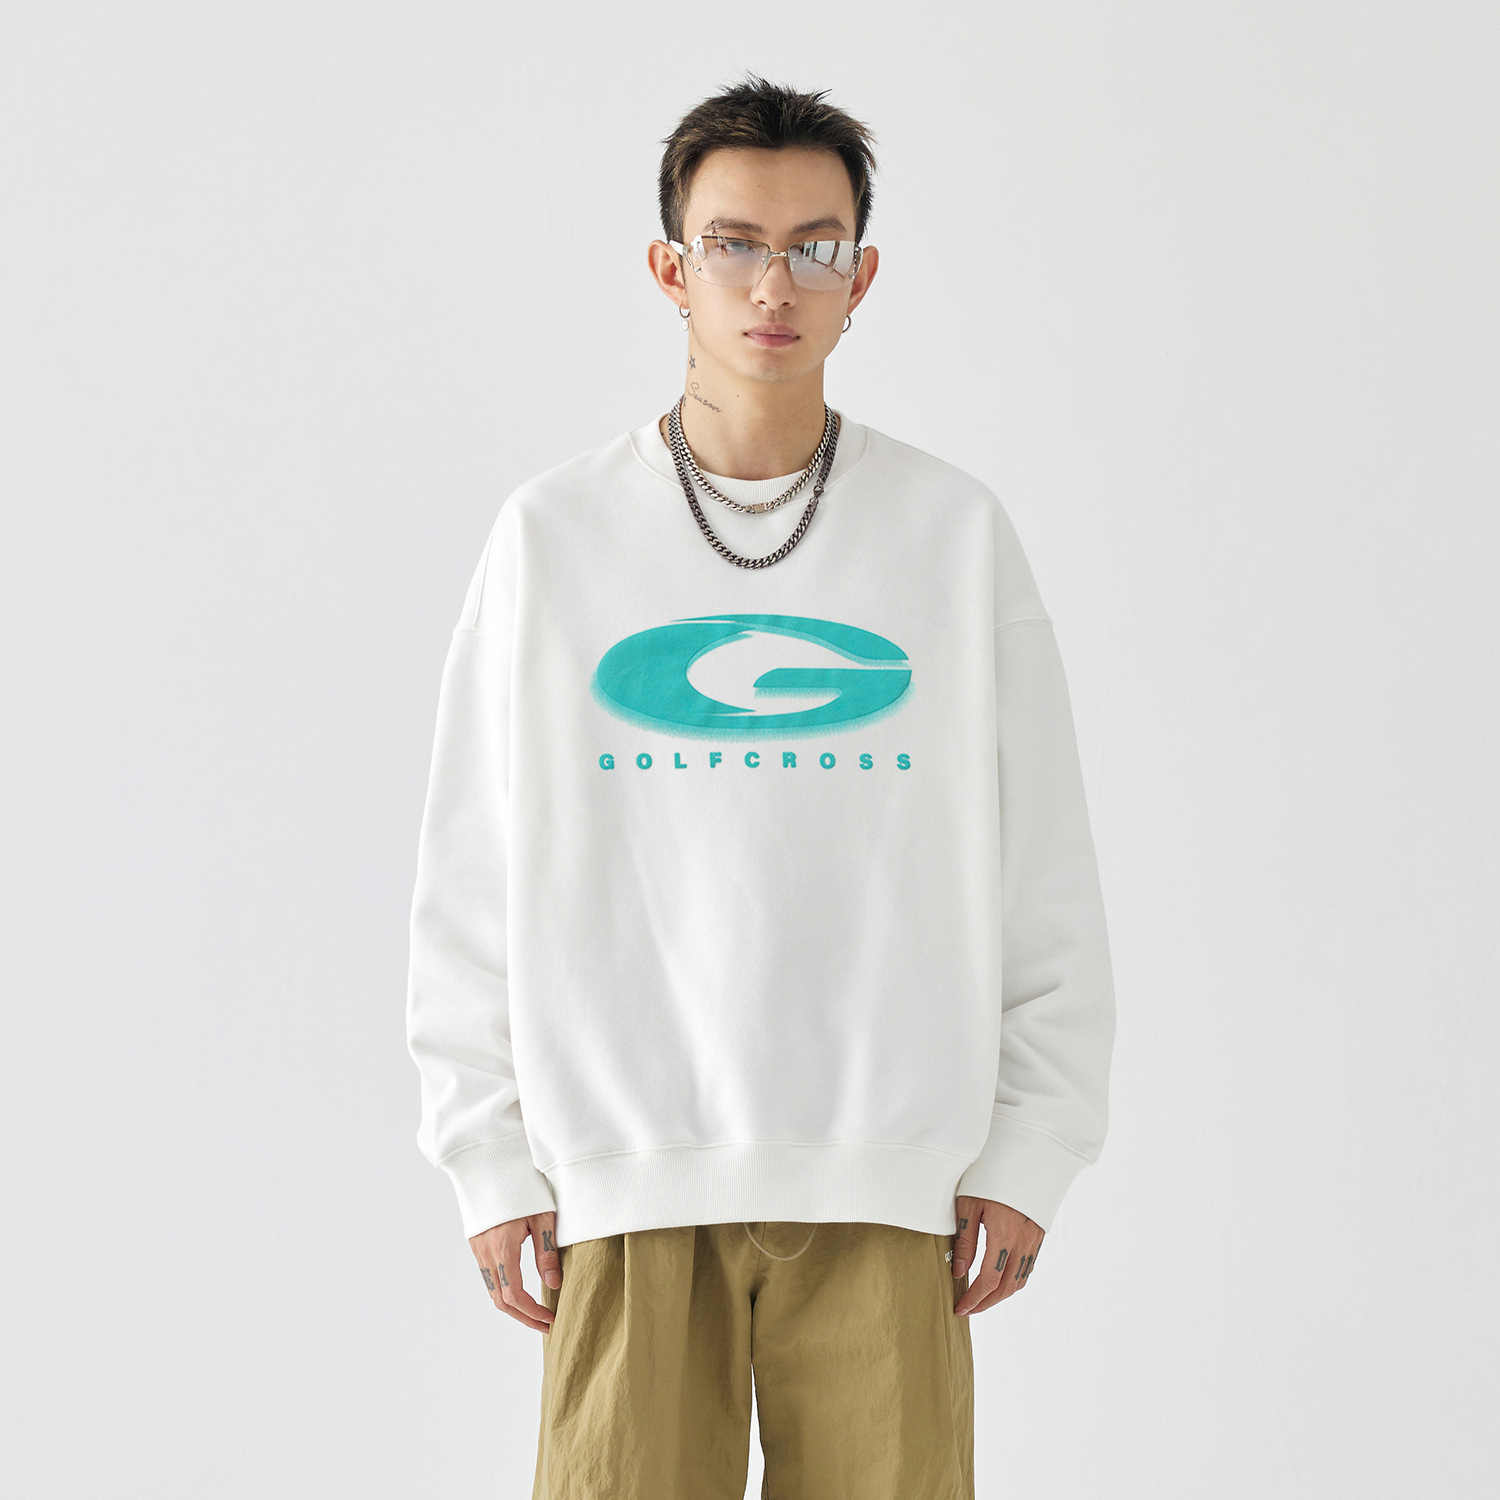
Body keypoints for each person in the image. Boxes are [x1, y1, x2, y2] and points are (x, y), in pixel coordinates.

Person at [405, 73, 1116, 1500]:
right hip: (624, 1180)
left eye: (814, 246)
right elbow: (471, 870)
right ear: (671, 267)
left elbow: (1043, 867)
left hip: (889, 1186)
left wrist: (1031, 1148)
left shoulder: (952, 535)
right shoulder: (552, 538)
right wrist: (486, 1155)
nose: (773, 284)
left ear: (864, 277)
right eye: (733, 243)